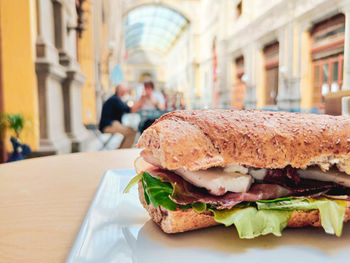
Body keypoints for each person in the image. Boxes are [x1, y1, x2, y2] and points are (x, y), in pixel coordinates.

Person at [99, 84, 144, 148]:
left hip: (110, 124)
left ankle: (122, 149)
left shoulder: (115, 98)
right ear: (121, 91)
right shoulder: (116, 99)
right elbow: (130, 110)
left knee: (131, 131)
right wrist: (141, 99)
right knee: (131, 132)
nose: (126, 92)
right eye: (126, 90)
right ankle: (123, 150)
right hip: (108, 125)